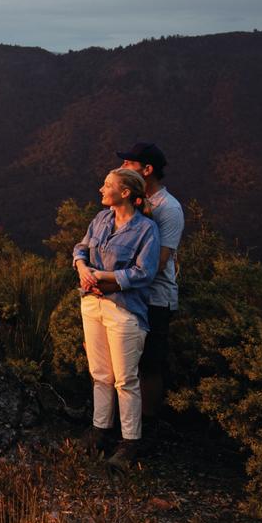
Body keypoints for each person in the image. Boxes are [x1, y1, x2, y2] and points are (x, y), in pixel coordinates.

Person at [72, 168, 161, 467]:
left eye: (107, 185)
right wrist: (83, 268)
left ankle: (129, 443)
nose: (101, 188)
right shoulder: (100, 220)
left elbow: (144, 272)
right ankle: (100, 431)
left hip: (124, 310)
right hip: (92, 304)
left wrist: (103, 275)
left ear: (125, 193)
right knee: (100, 374)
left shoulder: (146, 229)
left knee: (125, 379)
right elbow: (81, 248)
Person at [117, 142, 184, 422]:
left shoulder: (168, 209)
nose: (122, 168)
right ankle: (119, 420)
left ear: (147, 170)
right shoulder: (130, 200)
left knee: (149, 365)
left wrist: (113, 280)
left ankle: (148, 424)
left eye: (128, 164)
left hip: (155, 297)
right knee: (123, 364)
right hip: (129, 293)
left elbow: (158, 263)